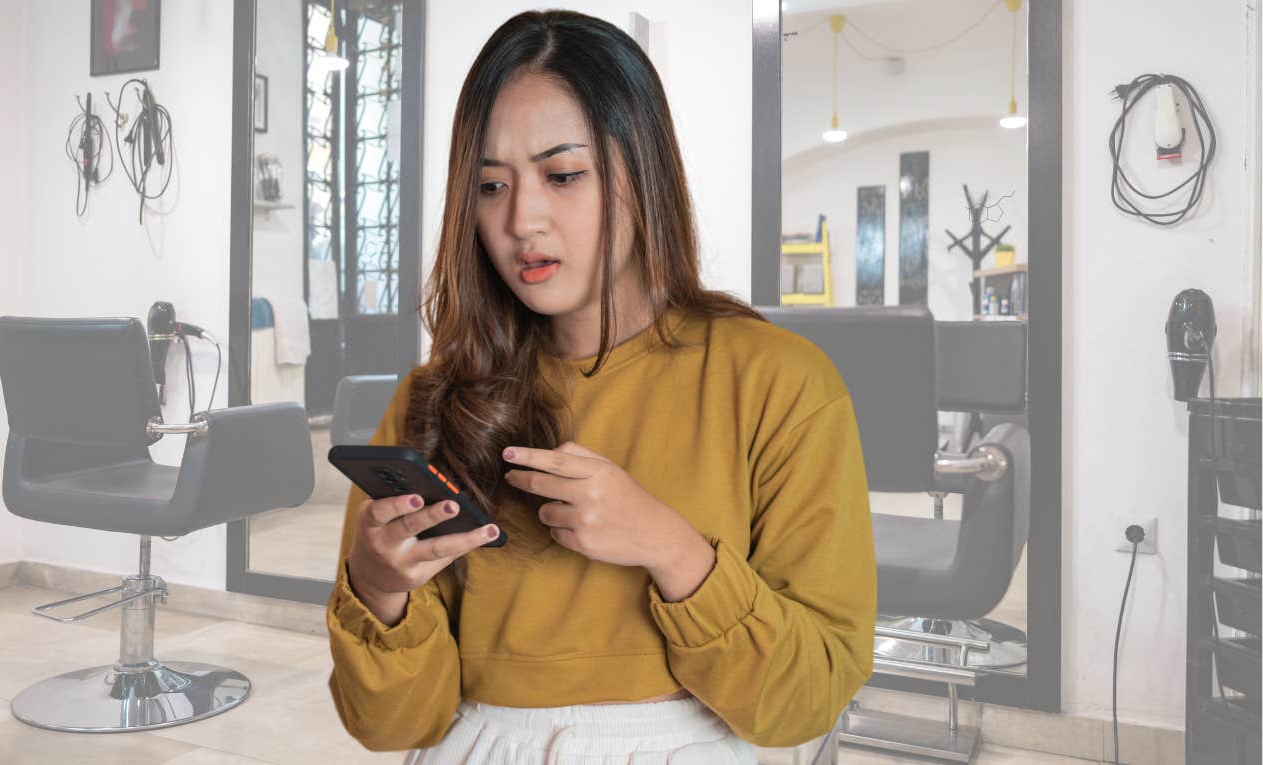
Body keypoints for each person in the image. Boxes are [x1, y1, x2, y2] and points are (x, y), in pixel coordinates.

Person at [325, 9, 875, 764]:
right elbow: (391, 726)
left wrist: (671, 548)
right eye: (490, 185)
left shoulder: (781, 384)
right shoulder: (433, 397)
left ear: (642, 173)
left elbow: (811, 694)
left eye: (563, 175)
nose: (522, 219)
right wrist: (379, 588)